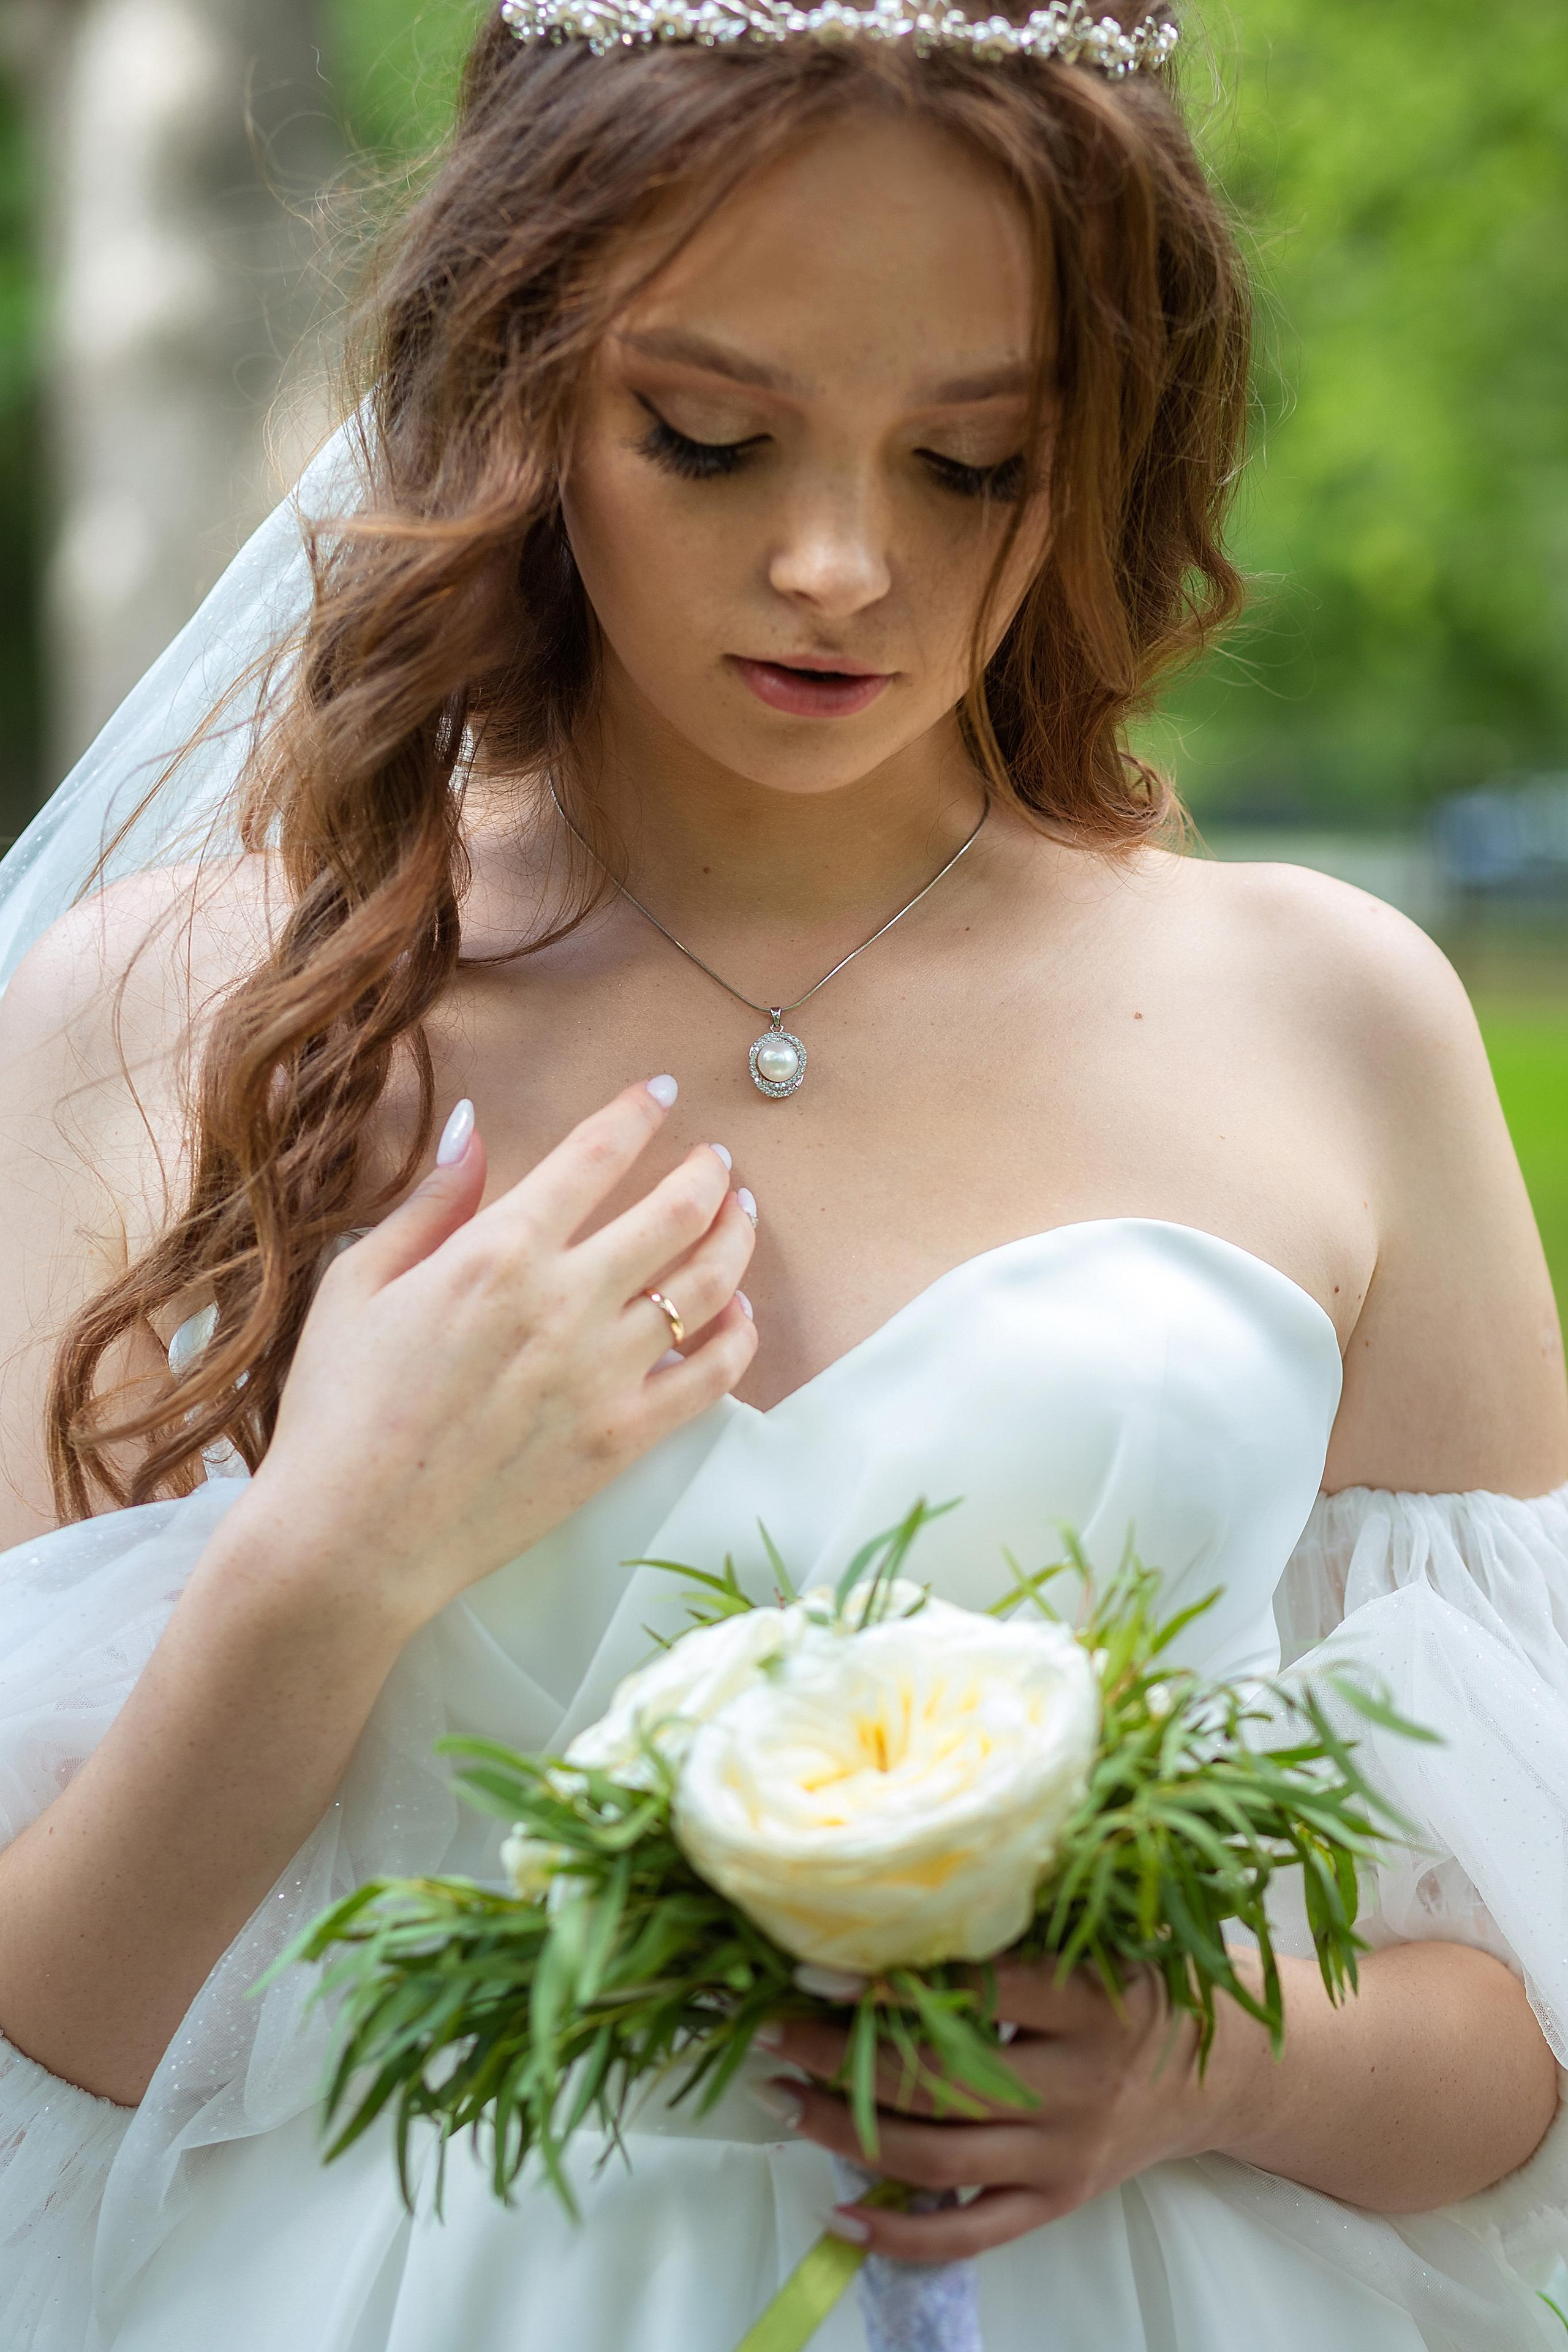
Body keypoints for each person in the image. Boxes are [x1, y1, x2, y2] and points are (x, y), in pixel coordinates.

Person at [2, 4, 1567, 2345]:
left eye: (971, 464)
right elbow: (51, 2048)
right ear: (526, 382)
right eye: (712, 438)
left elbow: (1520, 2022)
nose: (839, 564)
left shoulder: (1329, 1020)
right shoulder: (172, 1014)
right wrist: (332, 1557)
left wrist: (1206, 2061)